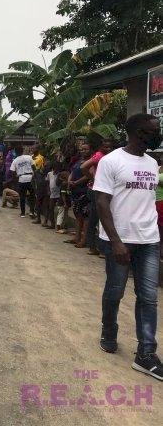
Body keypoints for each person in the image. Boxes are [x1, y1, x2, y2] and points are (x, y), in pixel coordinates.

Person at [95, 113, 162, 380]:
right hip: (121, 240)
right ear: (137, 132)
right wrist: (116, 242)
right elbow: (101, 203)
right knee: (115, 291)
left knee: (148, 297)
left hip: (149, 240)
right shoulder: (111, 162)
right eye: (153, 130)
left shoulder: (152, 162)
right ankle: (108, 330)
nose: (157, 134)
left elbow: (147, 200)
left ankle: (146, 353)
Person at [82, 138, 114, 256]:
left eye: (110, 146)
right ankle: (95, 247)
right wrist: (94, 180)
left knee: (99, 218)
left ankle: (96, 247)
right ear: (101, 147)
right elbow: (83, 167)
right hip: (96, 191)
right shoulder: (100, 156)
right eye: (105, 146)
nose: (108, 149)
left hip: (103, 191)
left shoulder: (110, 157)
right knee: (98, 218)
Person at [67, 143, 91, 247]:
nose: (83, 151)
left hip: (84, 191)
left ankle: (84, 240)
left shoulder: (90, 162)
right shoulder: (78, 161)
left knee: (84, 216)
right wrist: (69, 181)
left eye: (85, 149)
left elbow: (88, 176)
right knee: (77, 215)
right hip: (75, 191)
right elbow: (72, 172)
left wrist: (76, 183)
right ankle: (77, 237)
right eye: (82, 149)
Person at [10, 145, 35, 218]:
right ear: (22, 150)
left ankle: (23, 213)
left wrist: (16, 178)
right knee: (32, 196)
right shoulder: (29, 157)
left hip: (21, 179)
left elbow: (12, 172)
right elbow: (34, 167)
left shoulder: (15, 160)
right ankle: (31, 212)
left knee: (22, 197)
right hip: (30, 178)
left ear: (16, 152)